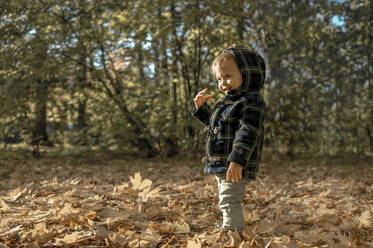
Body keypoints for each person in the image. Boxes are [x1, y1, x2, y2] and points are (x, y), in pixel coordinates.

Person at [191, 45, 266, 239]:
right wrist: (201, 109)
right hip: (223, 161)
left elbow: (248, 131)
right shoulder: (228, 102)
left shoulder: (250, 102)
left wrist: (237, 159)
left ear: (247, 73)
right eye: (219, 79)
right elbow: (218, 127)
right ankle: (232, 230)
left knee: (229, 199)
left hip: (234, 162)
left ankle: (232, 234)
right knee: (225, 197)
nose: (223, 83)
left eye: (227, 76)